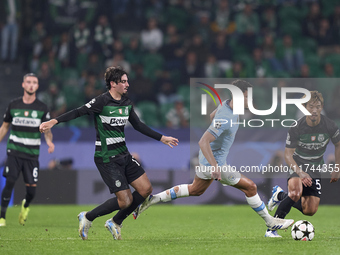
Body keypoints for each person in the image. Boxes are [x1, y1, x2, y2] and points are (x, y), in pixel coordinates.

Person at [133, 79, 294, 235]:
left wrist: (216, 127)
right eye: (246, 96)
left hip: (208, 160)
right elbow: (203, 141)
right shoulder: (226, 117)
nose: (249, 100)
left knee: (195, 190)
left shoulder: (226, 105)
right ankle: (270, 221)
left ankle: (151, 200)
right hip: (213, 163)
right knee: (250, 187)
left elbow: (212, 115)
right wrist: (215, 167)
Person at [39, 66, 178, 240]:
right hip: (106, 158)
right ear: (113, 84)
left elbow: (138, 125)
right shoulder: (101, 102)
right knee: (125, 201)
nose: (128, 84)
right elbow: (78, 112)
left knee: (145, 189)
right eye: (124, 81)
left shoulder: (126, 103)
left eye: (127, 81)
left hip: (124, 155)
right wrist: (54, 121)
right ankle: (88, 216)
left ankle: (115, 222)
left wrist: (161, 137)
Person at [266, 91, 340, 237]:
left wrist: (337, 167)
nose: (314, 110)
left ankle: (280, 196)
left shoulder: (330, 126)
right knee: (295, 193)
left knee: (310, 210)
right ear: (304, 107)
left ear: (322, 107)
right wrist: (300, 172)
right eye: (310, 106)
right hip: (297, 164)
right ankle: (272, 229)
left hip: (315, 168)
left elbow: (338, 145)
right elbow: (288, 154)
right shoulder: (296, 127)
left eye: (317, 106)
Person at [0, 73, 55, 227]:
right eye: (28, 82)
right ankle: (2, 218)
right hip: (14, 152)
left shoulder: (42, 108)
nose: (31, 84)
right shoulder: (13, 105)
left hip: (31, 155)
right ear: (23, 85)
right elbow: (5, 127)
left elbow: (47, 130)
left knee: (31, 192)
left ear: (37, 86)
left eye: (34, 82)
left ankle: (25, 207)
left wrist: (49, 142)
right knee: (9, 182)